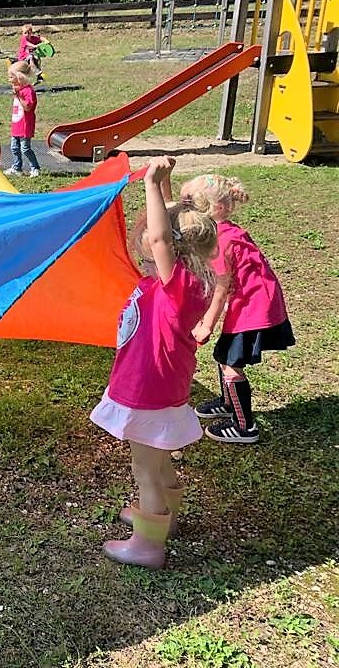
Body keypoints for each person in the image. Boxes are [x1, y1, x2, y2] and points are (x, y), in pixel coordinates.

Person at [90, 156, 219, 569]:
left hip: (147, 392)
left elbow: (163, 239)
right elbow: (167, 233)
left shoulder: (176, 288)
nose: (147, 263)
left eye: (151, 258)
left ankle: (147, 545)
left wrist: (148, 183)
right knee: (160, 462)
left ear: (171, 256)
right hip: (164, 391)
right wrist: (164, 185)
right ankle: (166, 518)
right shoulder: (191, 280)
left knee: (144, 470)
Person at [181, 174, 295, 444]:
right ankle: (227, 402)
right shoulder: (225, 230)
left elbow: (221, 289)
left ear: (216, 208)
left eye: (191, 204)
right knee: (224, 354)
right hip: (254, 301)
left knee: (231, 364)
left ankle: (245, 427)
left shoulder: (221, 241)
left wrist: (207, 325)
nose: (187, 211)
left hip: (254, 308)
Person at [3, 64, 41, 178]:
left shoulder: (28, 91)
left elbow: (27, 107)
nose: (9, 80)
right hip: (17, 125)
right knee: (14, 147)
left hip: (25, 126)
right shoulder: (19, 90)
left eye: (11, 77)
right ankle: (17, 168)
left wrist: (19, 96)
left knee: (25, 149)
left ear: (19, 77)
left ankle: (35, 168)